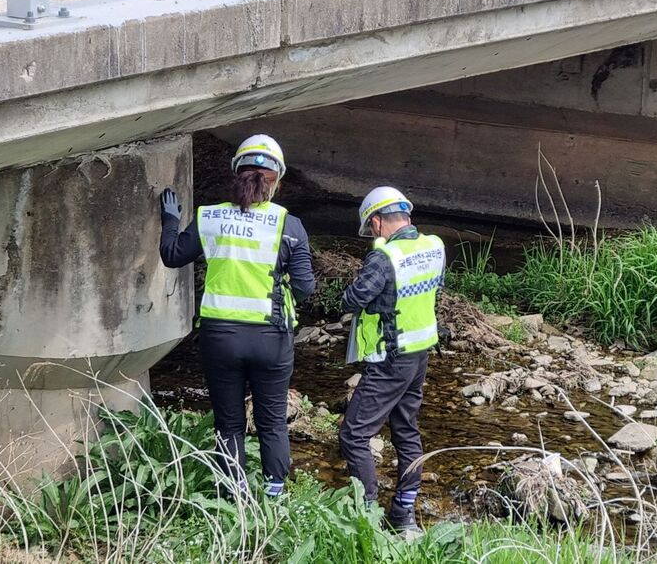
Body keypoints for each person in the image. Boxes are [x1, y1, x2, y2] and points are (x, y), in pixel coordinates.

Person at [158, 134, 315, 498]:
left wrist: (170, 218)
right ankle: (274, 495)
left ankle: (233, 494)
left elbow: (171, 254)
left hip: (220, 339)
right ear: (276, 179)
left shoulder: (210, 217)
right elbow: (306, 288)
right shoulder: (288, 226)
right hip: (271, 339)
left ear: (235, 173)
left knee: (229, 422)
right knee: (272, 421)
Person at [339, 186, 445, 534]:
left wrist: (376, 255)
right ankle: (403, 514)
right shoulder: (433, 246)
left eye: (371, 228)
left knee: (354, 435)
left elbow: (354, 298)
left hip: (391, 358)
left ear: (378, 221)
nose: (372, 234)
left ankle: (366, 513)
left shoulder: (384, 257)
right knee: (406, 432)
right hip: (419, 356)